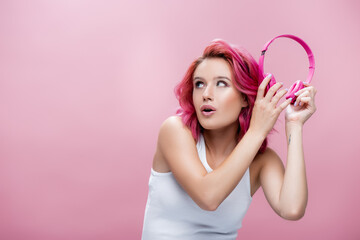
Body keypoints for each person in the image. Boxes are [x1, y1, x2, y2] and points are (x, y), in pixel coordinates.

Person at [141, 39, 317, 240]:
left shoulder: (261, 160)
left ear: (245, 97)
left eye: (221, 83)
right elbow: (208, 197)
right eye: (199, 84)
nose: (206, 95)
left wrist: (294, 124)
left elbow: (292, 209)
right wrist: (256, 131)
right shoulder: (175, 130)